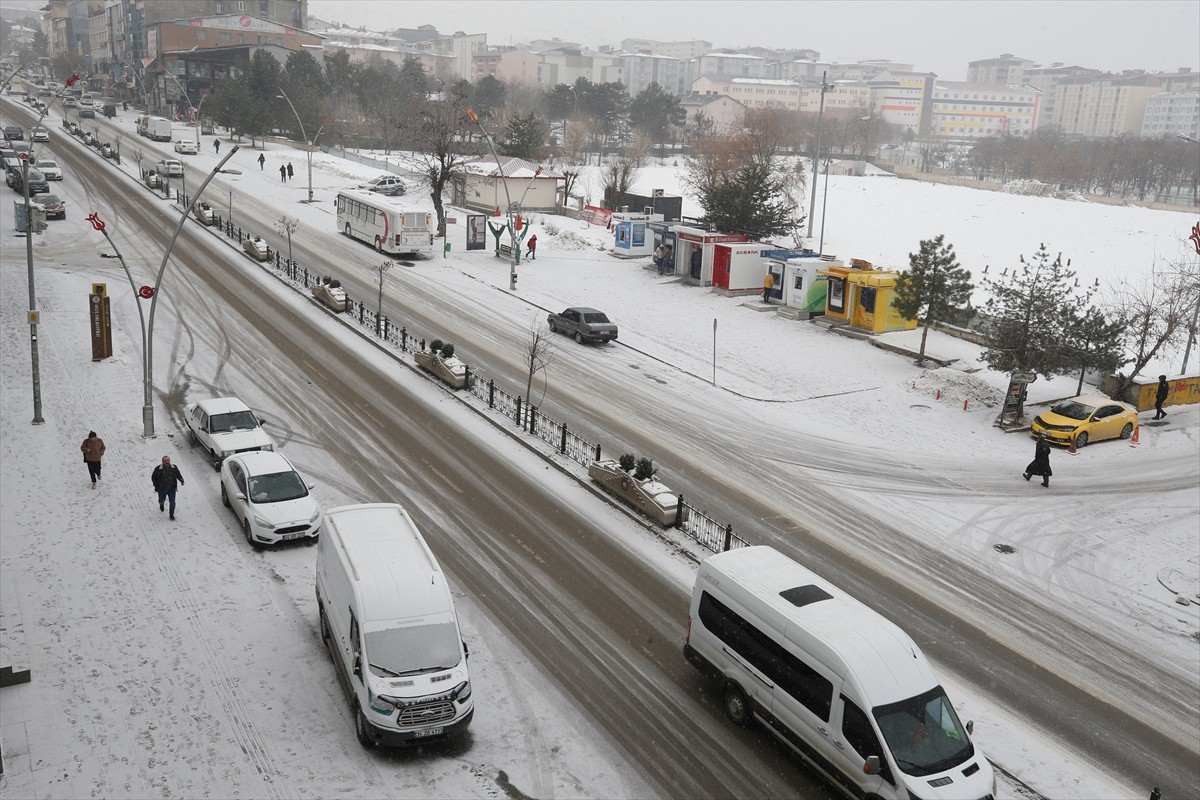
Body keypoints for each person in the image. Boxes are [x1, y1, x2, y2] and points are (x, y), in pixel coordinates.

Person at [151, 455, 185, 520]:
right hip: (162, 488)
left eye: (168, 460)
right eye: (165, 461)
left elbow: (178, 474)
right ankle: (161, 504)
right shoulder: (158, 469)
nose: (166, 462)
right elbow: (153, 478)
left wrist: (181, 480)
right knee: (161, 500)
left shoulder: (174, 467)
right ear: (162, 461)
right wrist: (156, 485)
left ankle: (171, 514)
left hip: (171, 488)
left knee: (172, 502)